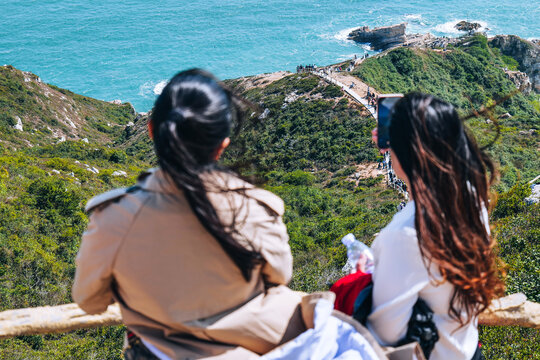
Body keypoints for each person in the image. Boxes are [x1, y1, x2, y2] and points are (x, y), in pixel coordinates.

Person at [72, 69, 305, 360]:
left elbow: (89, 301)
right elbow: (280, 275)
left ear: (151, 131)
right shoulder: (256, 208)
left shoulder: (114, 217)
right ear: (222, 144)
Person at [368, 93, 503, 359]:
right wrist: (402, 152)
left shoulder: (404, 235)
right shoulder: (470, 196)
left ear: (408, 152)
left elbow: (385, 334)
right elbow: (423, 195)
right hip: (467, 349)